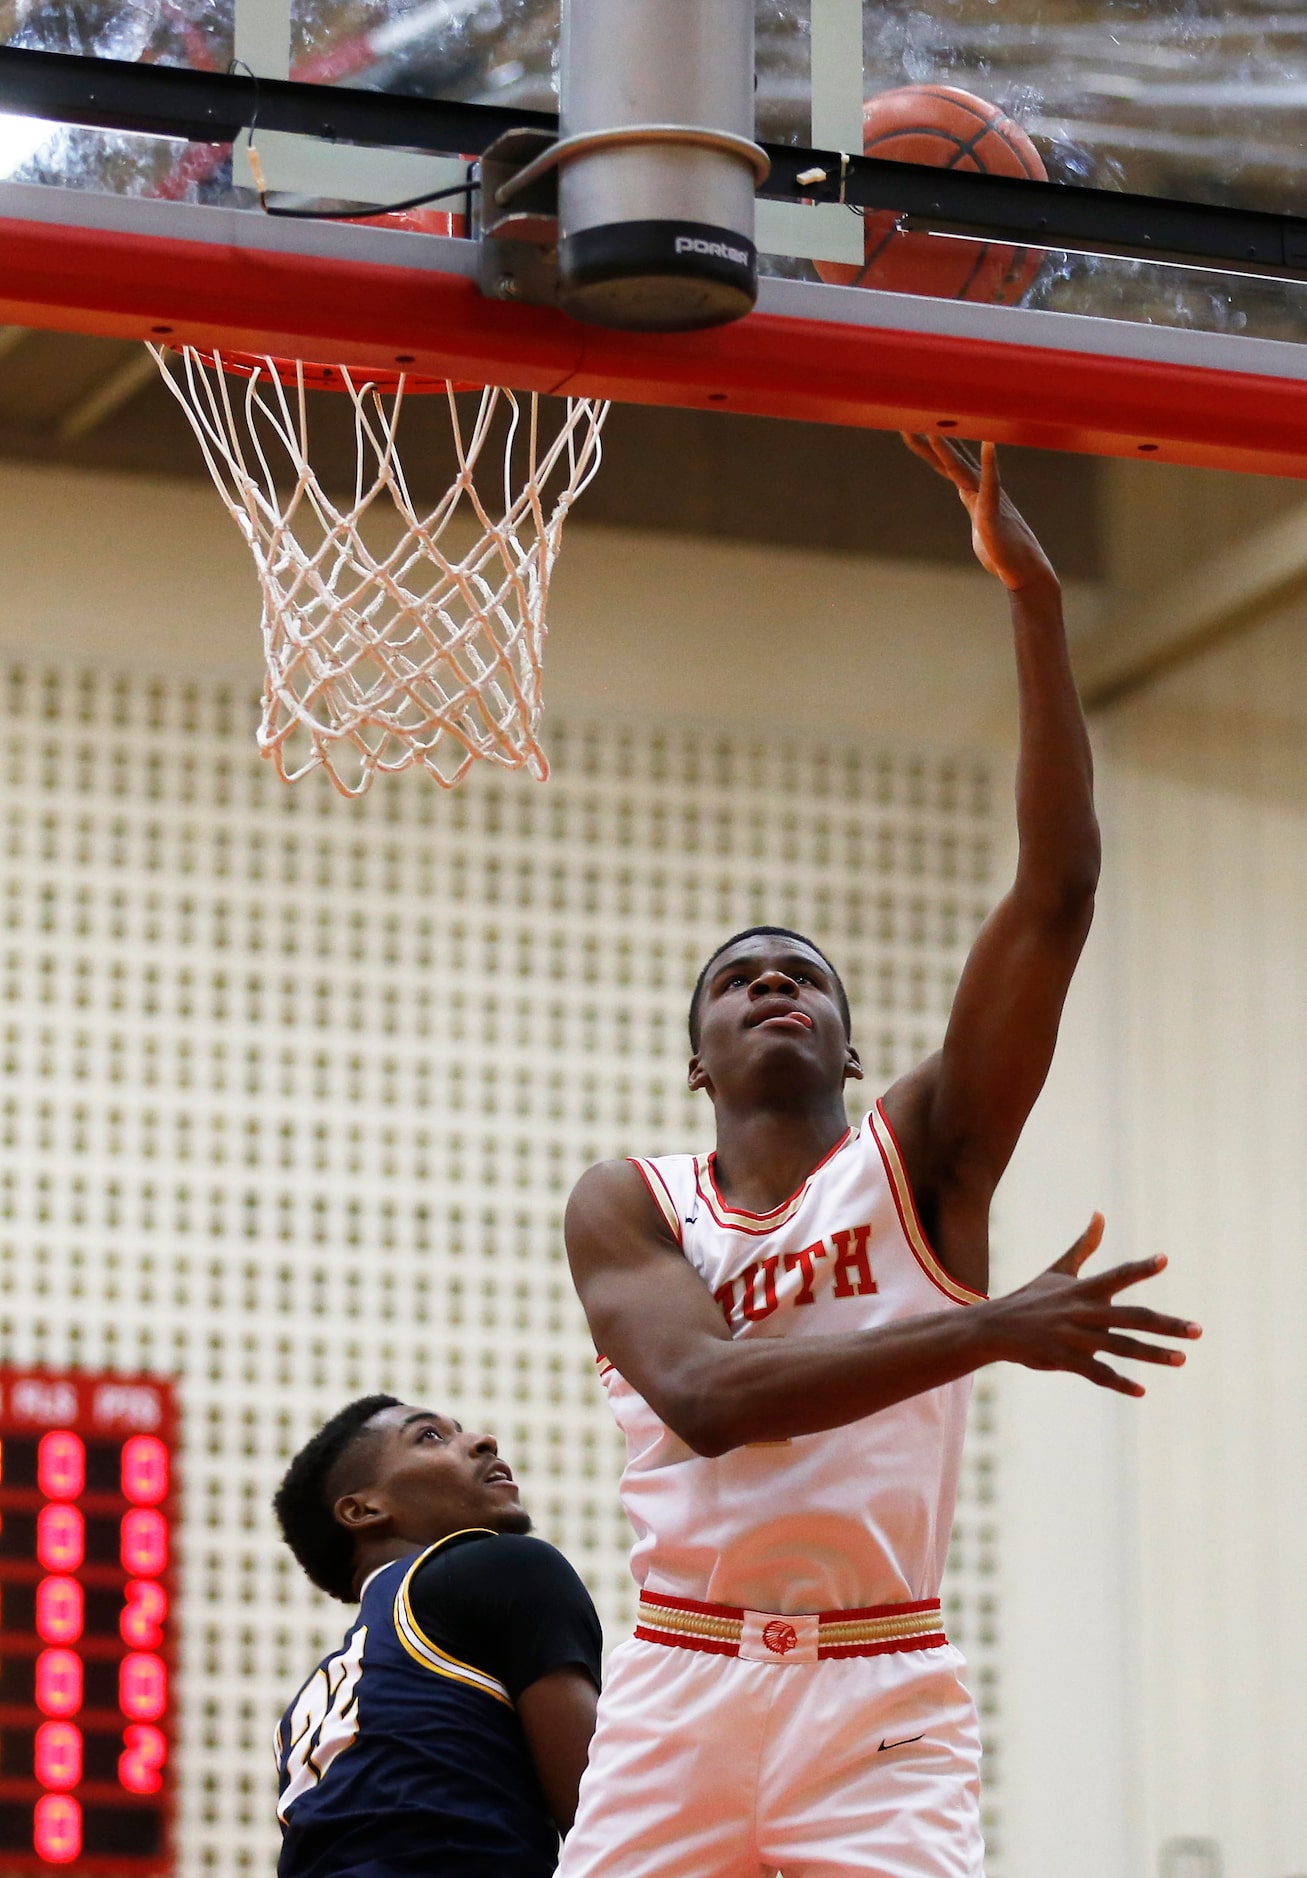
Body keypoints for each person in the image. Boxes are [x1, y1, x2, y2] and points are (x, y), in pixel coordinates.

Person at [558, 437, 1202, 1878]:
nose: (773, 983)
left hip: (878, 1684)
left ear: (850, 1051)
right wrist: (985, 1328)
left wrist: (1031, 600)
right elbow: (710, 1399)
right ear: (697, 1057)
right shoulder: (630, 1199)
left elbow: (1054, 891)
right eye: (738, 980)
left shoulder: (921, 1159)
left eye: (803, 976)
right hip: (678, 1680)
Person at [271, 1394, 602, 1878]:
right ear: (363, 1511)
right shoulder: (500, 1565)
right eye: (430, 1436)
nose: (483, 1441)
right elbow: (603, 1820)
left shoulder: (301, 1716)